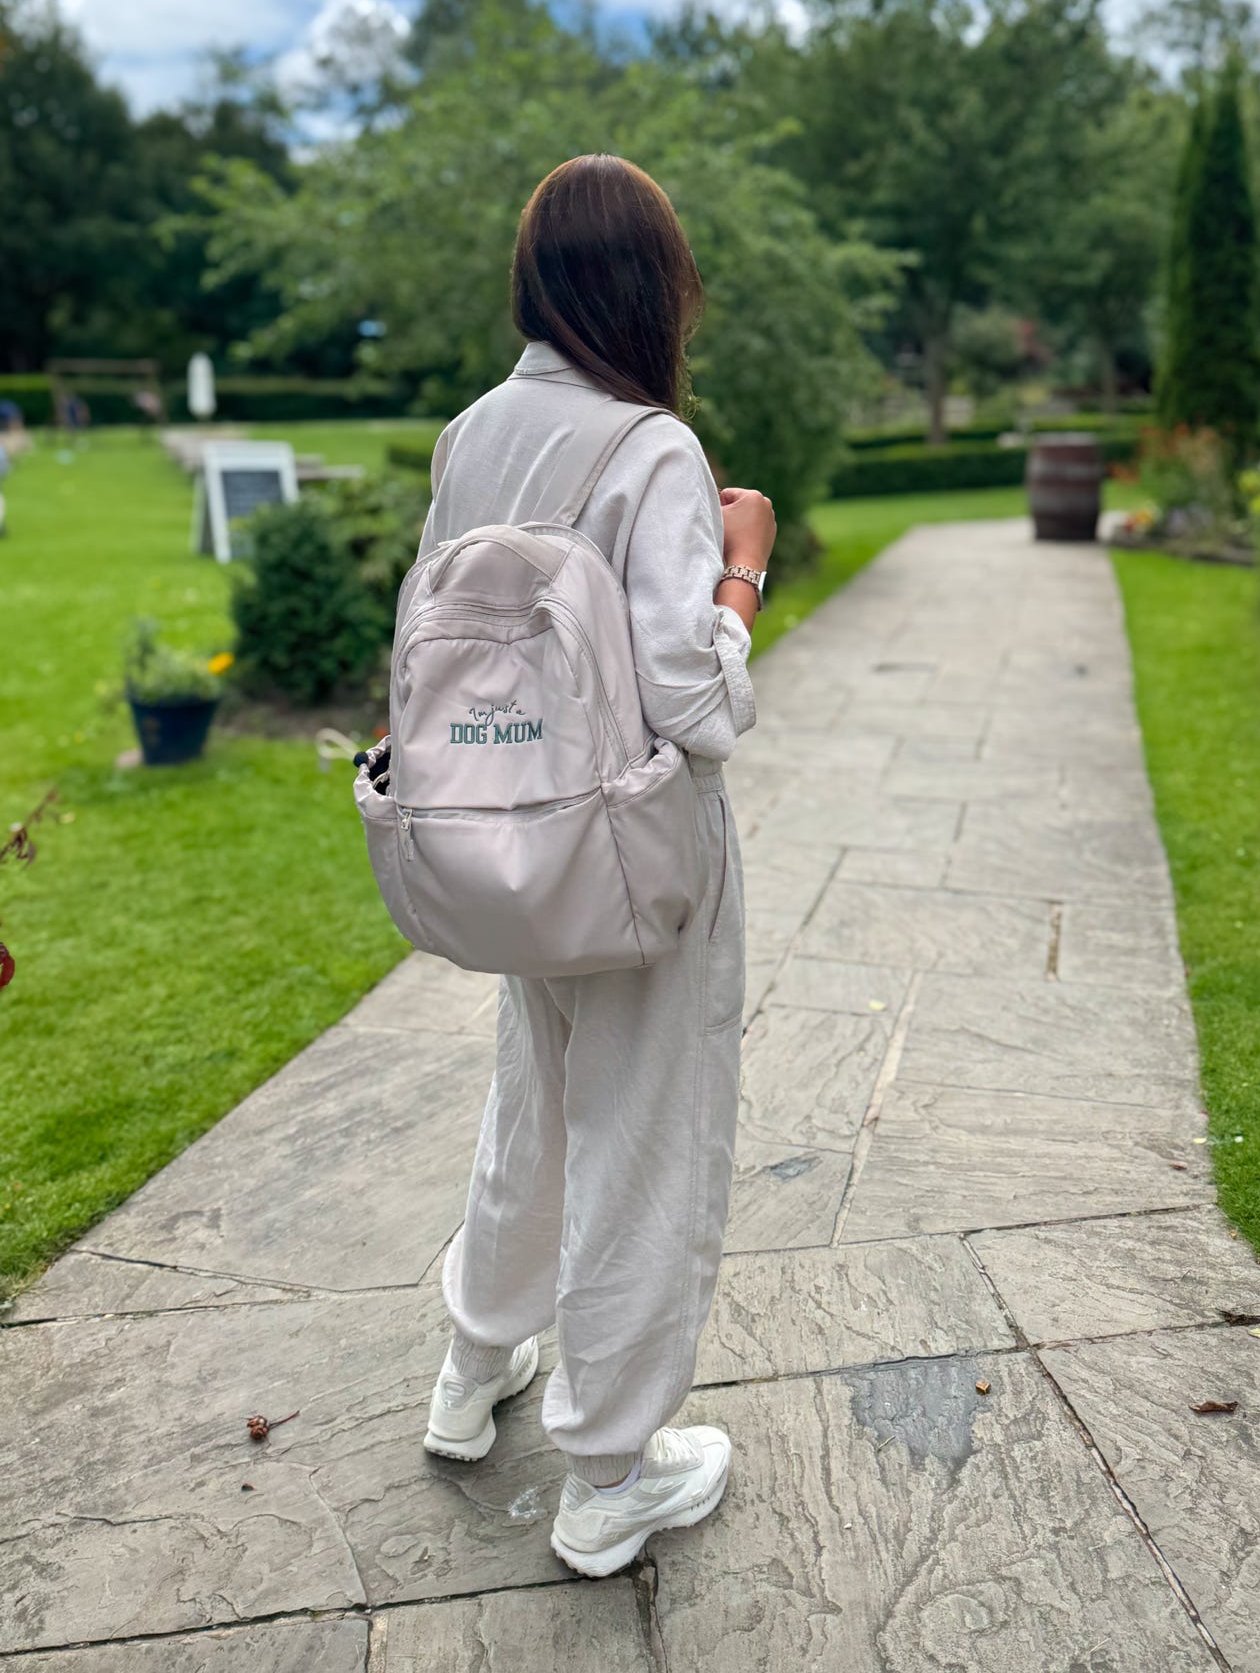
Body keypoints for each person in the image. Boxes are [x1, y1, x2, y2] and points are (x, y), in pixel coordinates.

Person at [418, 154, 776, 1578]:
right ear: (652, 286)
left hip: (508, 837)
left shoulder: (470, 433)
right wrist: (742, 569)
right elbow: (696, 704)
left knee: (533, 1100)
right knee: (643, 1137)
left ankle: (472, 1368)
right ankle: (611, 1473)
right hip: (632, 852)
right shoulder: (651, 448)